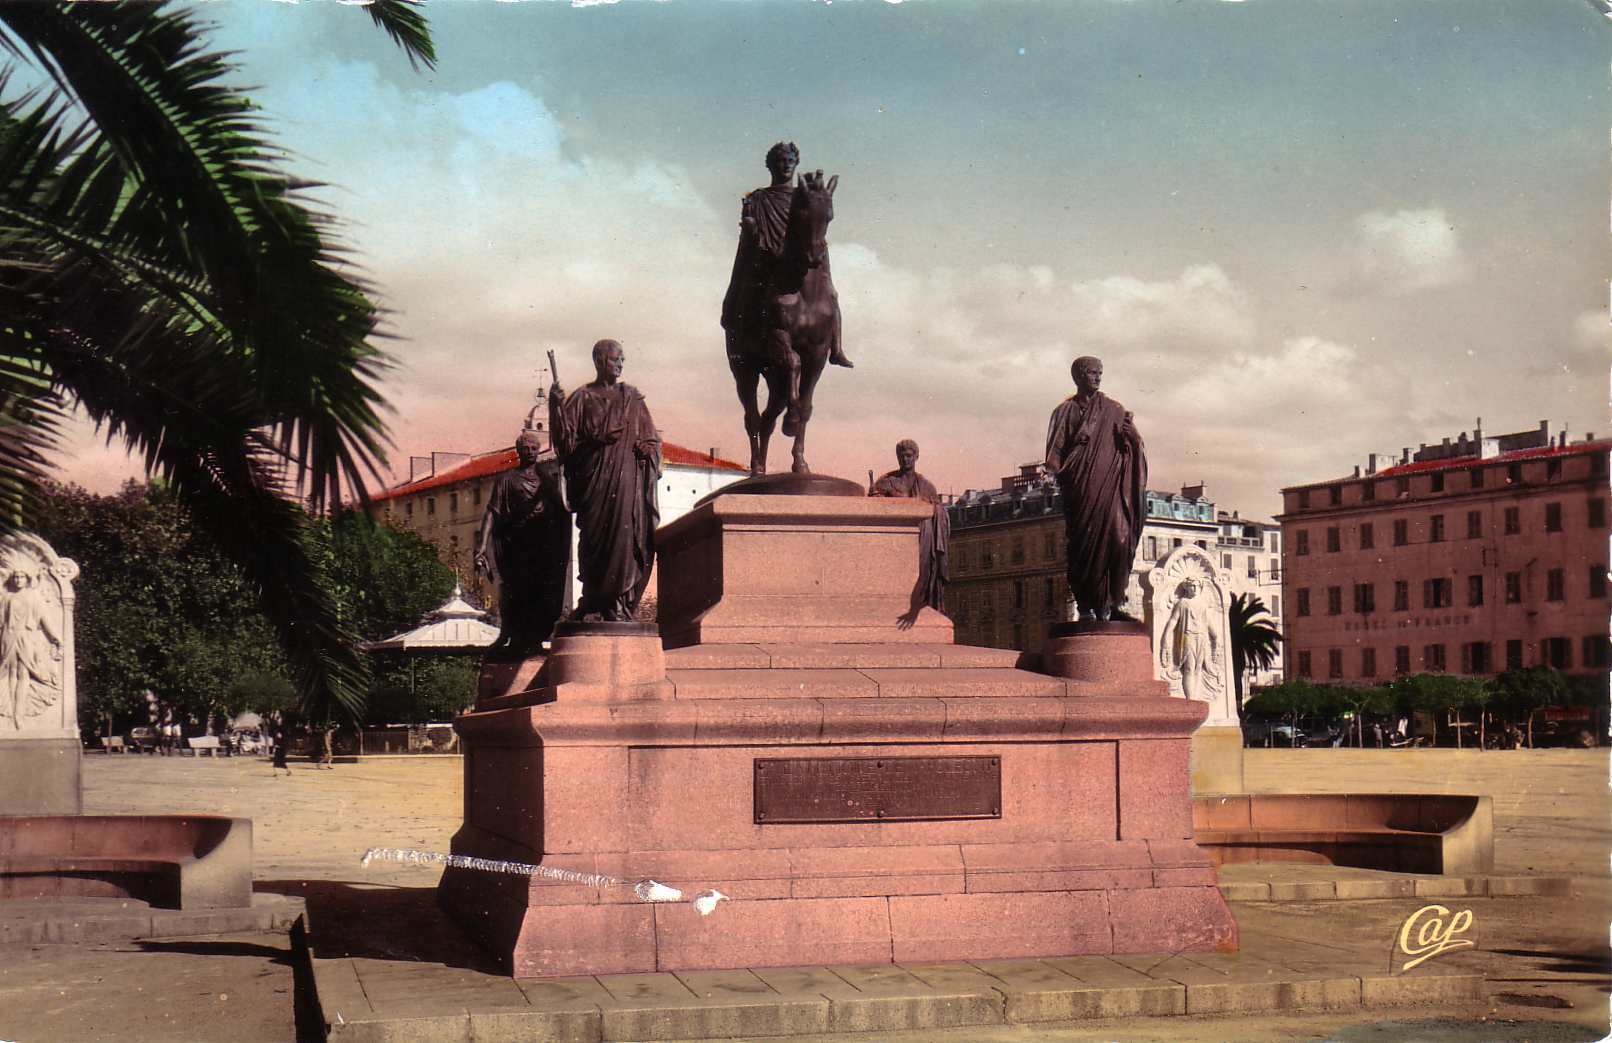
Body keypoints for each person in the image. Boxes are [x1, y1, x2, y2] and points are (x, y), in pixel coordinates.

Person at [549, 340, 661, 621]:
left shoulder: (632, 398)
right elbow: (565, 444)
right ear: (600, 362)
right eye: (615, 359)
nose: (620, 364)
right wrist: (556, 408)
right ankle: (594, 600)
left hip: (625, 483)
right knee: (593, 539)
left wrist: (649, 448)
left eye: (623, 359)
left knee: (624, 538)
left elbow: (651, 438)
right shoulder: (582, 397)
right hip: (593, 483)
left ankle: (618, 602)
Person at [721, 141, 853, 369]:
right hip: (768, 261)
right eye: (780, 161)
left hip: (805, 257)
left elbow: (817, 225)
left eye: (790, 161)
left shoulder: (804, 196)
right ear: (771, 166)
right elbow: (748, 244)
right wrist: (751, 227)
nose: (786, 165)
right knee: (752, 295)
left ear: (796, 163)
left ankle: (837, 348)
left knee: (831, 295)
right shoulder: (757, 198)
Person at [1045, 356, 1147, 620]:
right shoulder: (1064, 411)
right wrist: (1051, 472)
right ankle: (1087, 605)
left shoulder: (1114, 409)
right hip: (1081, 490)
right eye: (1092, 373)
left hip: (1112, 489)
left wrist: (1133, 437)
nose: (1098, 377)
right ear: (1078, 376)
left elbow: (1133, 445)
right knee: (1083, 547)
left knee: (1119, 539)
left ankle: (1113, 603)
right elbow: (1055, 451)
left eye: (1100, 373)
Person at [474, 429, 572, 657]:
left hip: (540, 547)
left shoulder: (547, 481)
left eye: (533, 449)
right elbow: (492, 513)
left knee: (538, 594)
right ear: (518, 452)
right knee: (512, 592)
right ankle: (507, 635)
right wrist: (481, 546)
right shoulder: (507, 480)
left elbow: (560, 511)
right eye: (525, 449)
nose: (529, 452)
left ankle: (534, 640)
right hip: (515, 546)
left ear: (538, 451)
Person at [868, 439, 949, 613]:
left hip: (922, 541)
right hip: (895, 543)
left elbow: (938, 512)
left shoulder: (927, 486)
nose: (906, 460)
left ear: (916, 457)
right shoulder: (886, 482)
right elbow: (872, 505)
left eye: (909, 456)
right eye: (902, 456)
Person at [0, 556, 61, 729]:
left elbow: (44, 619)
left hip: (26, 638)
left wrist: (56, 637)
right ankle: (11, 712)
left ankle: (19, 714)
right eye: (16, 577)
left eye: (21, 577)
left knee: (24, 674)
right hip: (8, 637)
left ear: (27, 579)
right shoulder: (6, 597)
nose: (18, 580)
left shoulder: (34, 597)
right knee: (10, 674)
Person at [1159, 578, 1223, 706]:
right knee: (1189, 668)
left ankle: (1195, 699)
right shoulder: (1183, 603)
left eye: (1196, 586)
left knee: (1198, 669)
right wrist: (1165, 640)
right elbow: (1173, 621)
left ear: (1200, 587)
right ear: (1186, 588)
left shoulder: (1204, 605)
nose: (1194, 588)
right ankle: (1191, 700)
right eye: (1191, 586)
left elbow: (1210, 624)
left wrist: (1216, 639)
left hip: (1202, 638)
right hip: (1187, 637)